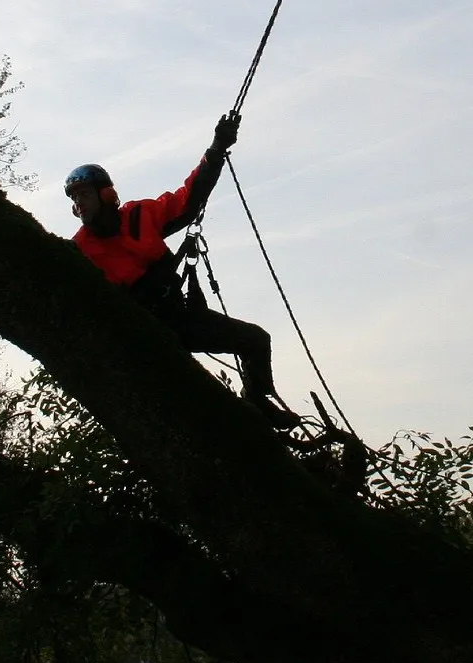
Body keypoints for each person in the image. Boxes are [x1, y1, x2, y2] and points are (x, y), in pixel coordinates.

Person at [65, 114, 299, 431]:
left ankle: (257, 400)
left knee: (255, 340)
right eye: (75, 198)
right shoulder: (79, 251)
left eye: (84, 194)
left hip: (179, 317)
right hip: (141, 333)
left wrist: (217, 148)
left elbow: (187, 199)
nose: (79, 203)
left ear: (106, 195)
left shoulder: (139, 214)